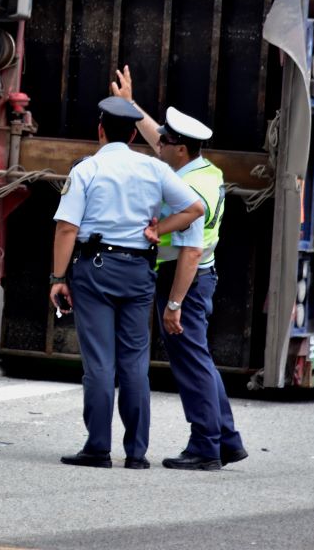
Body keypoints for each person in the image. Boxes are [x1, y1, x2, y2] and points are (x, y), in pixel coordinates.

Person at [49, 96, 204, 470]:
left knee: (100, 362)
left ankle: (98, 448)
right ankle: (136, 453)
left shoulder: (87, 169)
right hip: (138, 272)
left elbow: (68, 227)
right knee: (135, 363)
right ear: (134, 133)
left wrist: (58, 278)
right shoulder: (155, 169)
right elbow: (195, 208)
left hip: (95, 270)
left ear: (100, 131)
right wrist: (158, 229)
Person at [110, 65, 248, 472]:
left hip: (186, 279)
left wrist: (174, 304)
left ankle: (206, 446)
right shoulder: (199, 170)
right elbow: (155, 136)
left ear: (181, 150)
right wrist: (130, 104)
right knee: (198, 358)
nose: (158, 145)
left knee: (191, 362)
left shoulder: (191, 188)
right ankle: (225, 438)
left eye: (166, 142)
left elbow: (189, 252)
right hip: (194, 277)